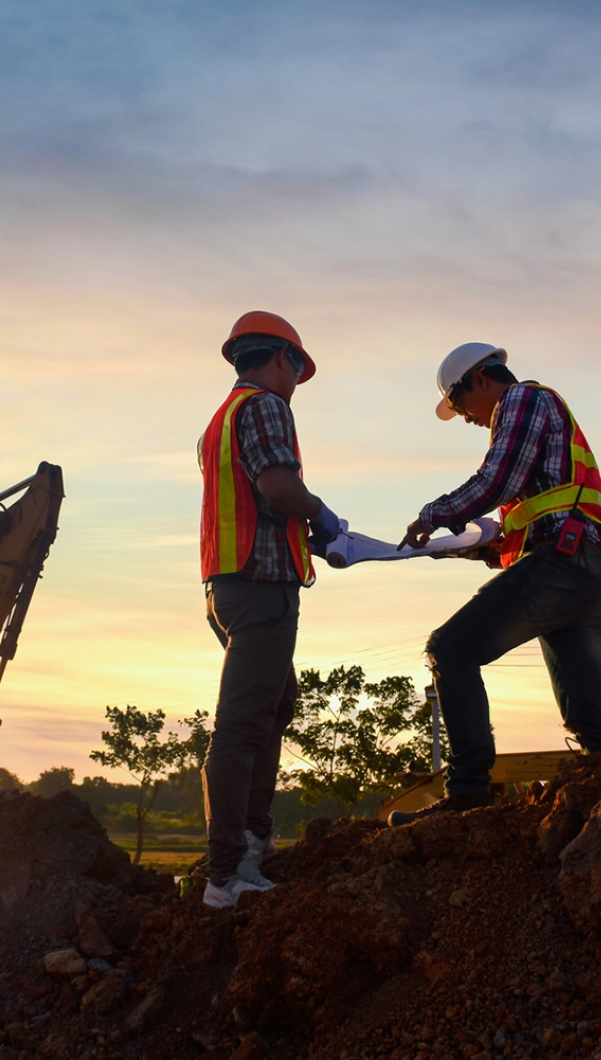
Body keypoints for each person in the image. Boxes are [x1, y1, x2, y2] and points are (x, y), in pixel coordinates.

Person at [389, 343, 601, 826]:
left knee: (450, 649)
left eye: (458, 406)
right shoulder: (539, 418)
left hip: (565, 564)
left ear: (478, 379)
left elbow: (497, 479)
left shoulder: (521, 401)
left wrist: (434, 516)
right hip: (585, 570)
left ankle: (468, 793)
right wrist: (467, 546)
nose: (466, 419)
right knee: (589, 719)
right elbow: (526, 522)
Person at [197, 311, 342, 907]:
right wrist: (320, 513)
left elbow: (254, 503)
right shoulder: (264, 407)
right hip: (260, 588)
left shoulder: (220, 420)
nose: (295, 384)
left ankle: (253, 840)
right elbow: (278, 486)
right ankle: (228, 872)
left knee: (275, 704)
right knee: (244, 723)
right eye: (296, 370)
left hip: (228, 585)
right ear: (282, 358)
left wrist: (300, 527)